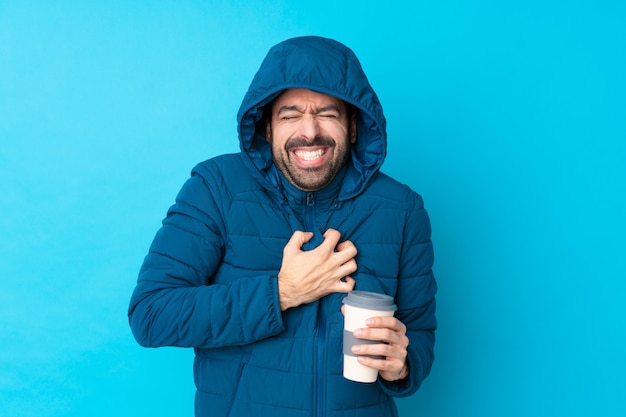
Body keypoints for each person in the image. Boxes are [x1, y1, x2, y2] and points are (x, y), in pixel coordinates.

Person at [128, 36, 437, 417]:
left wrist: (402, 365)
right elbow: (151, 314)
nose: (309, 132)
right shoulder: (216, 188)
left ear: (354, 127)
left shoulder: (401, 208)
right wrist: (282, 292)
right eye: (290, 115)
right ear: (268, 128)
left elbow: (419, 332)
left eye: (328, 113)